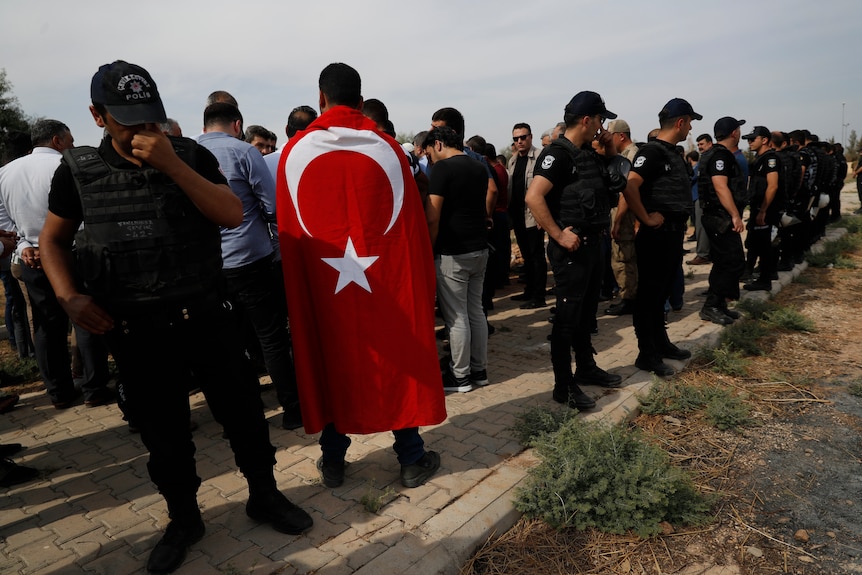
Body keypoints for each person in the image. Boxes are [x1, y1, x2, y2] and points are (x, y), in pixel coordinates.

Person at [39, 60, 312, 574]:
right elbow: (52, 241)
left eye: (150, 116)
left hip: (208, 316)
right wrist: (68, 296)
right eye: (127, 120)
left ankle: (264, 495)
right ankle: (184, 518)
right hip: (138, 333)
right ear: (98, 117)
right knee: (165, 437)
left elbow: (232, 214)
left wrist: (173, 166)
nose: (143, 129)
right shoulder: (77, 172)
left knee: (246, 418)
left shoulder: (188, 156)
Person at [277, 62, 445, 490]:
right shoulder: (388, 149)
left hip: (325, 288)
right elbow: (409, 233)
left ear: (321, 98)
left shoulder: (295, 154)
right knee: (394, 358)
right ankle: (410, 458)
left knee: (334, 359)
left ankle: (333, 461)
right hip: (384, 287)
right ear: (359, 97)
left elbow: (292, 238)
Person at [198, 102, 303, 430]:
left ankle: (244, 415)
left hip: (210, 265)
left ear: (204, 125)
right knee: (271, 337)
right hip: (251, 259)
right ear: (237, 123)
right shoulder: (244, 151)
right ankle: (293, 408)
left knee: (228, 342)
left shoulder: (185, 154)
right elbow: (272, 207)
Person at [0, 119, 112, 408]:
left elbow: (3, 221)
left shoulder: (5, 173)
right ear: (57, 140)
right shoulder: (66, 167)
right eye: (71, 140)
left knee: (45, 325)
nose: (73, 146)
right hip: (70, 252)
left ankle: (59, 392)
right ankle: (94, 387)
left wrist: (25, 245)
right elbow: (86, 212)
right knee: (84, 319)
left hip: (32, 258)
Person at [525, 91, 624, 410]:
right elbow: (533, 197)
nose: (601, 127)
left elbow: (609, 189)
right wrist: (558, 234)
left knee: (584, 314)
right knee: (567, 318)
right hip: (571, 250)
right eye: (599, 120)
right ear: (587, 120)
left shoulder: (588, 152)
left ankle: (585, 367)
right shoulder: (558, 154)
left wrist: (608, 152)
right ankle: (563, 385)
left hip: (593, 245)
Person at [622, 98, 700, 377]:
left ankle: (661, 343)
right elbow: (630, 186)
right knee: (649, 296)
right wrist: (645, 217)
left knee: (662, 292)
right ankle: (647, 354)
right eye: (690, 122)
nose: (690, 128)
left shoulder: (671, 152)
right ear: (680, 122)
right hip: (656, 235)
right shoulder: (653, 152)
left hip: (672, 234)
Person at [426, 127, 490, 392]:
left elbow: (432, 216)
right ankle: (479, 370)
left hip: (453, 252)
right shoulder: (477, 166)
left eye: (429, 153)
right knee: (476, 311)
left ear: (438, 144)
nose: (430, 160)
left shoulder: (443, 170)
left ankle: (460, 376)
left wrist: (428, 248)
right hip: (479, 249)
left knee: (456, 317)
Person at [697, 116, 748, 325]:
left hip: (715, 216)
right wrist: (735, 215)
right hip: (720, 217)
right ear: (734, 133)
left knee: (723, 261)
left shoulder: (713, 154)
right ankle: (712, 305)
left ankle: (719, 305)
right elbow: (720, 186)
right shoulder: (720, 156)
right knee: (732, 261)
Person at [507, 122, 547, 309]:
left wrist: (543, 215)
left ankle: (538, 296)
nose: (520, 141)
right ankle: (529, 291)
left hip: (533, 216)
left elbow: (547, 189)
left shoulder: (540, 157)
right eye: (516, 138)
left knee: (536, 256)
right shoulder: (513, 160)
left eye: (523, 137)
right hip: (517, 216)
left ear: (531, 137)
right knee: (526, 256)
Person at [741, 126, 784, 292]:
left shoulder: (770, 159)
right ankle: (755, 274)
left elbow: (772, 186)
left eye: (753, 139)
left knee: (766, 246)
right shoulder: (759, 159)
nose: (749, 143)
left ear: (764, 140)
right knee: (755, 243)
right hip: (758, 208)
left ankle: (765, 280)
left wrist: (763, 210)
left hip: (767, 211)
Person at [606, 119, 639, 316]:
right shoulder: (625, 155)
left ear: (621, 136)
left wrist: (617, 221)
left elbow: (628, 192)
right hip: (623, 215)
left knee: (623, 260)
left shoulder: (630, 157)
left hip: (625, 218)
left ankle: (629, 299)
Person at [687, 133, 714, 265]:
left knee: (701, 226)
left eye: (702, 144)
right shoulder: (705, 159)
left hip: (703, 198)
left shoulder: (710, 159)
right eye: (698, 145)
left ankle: (703, 254)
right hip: (701, 197)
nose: (699, 147)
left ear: (710, 143)